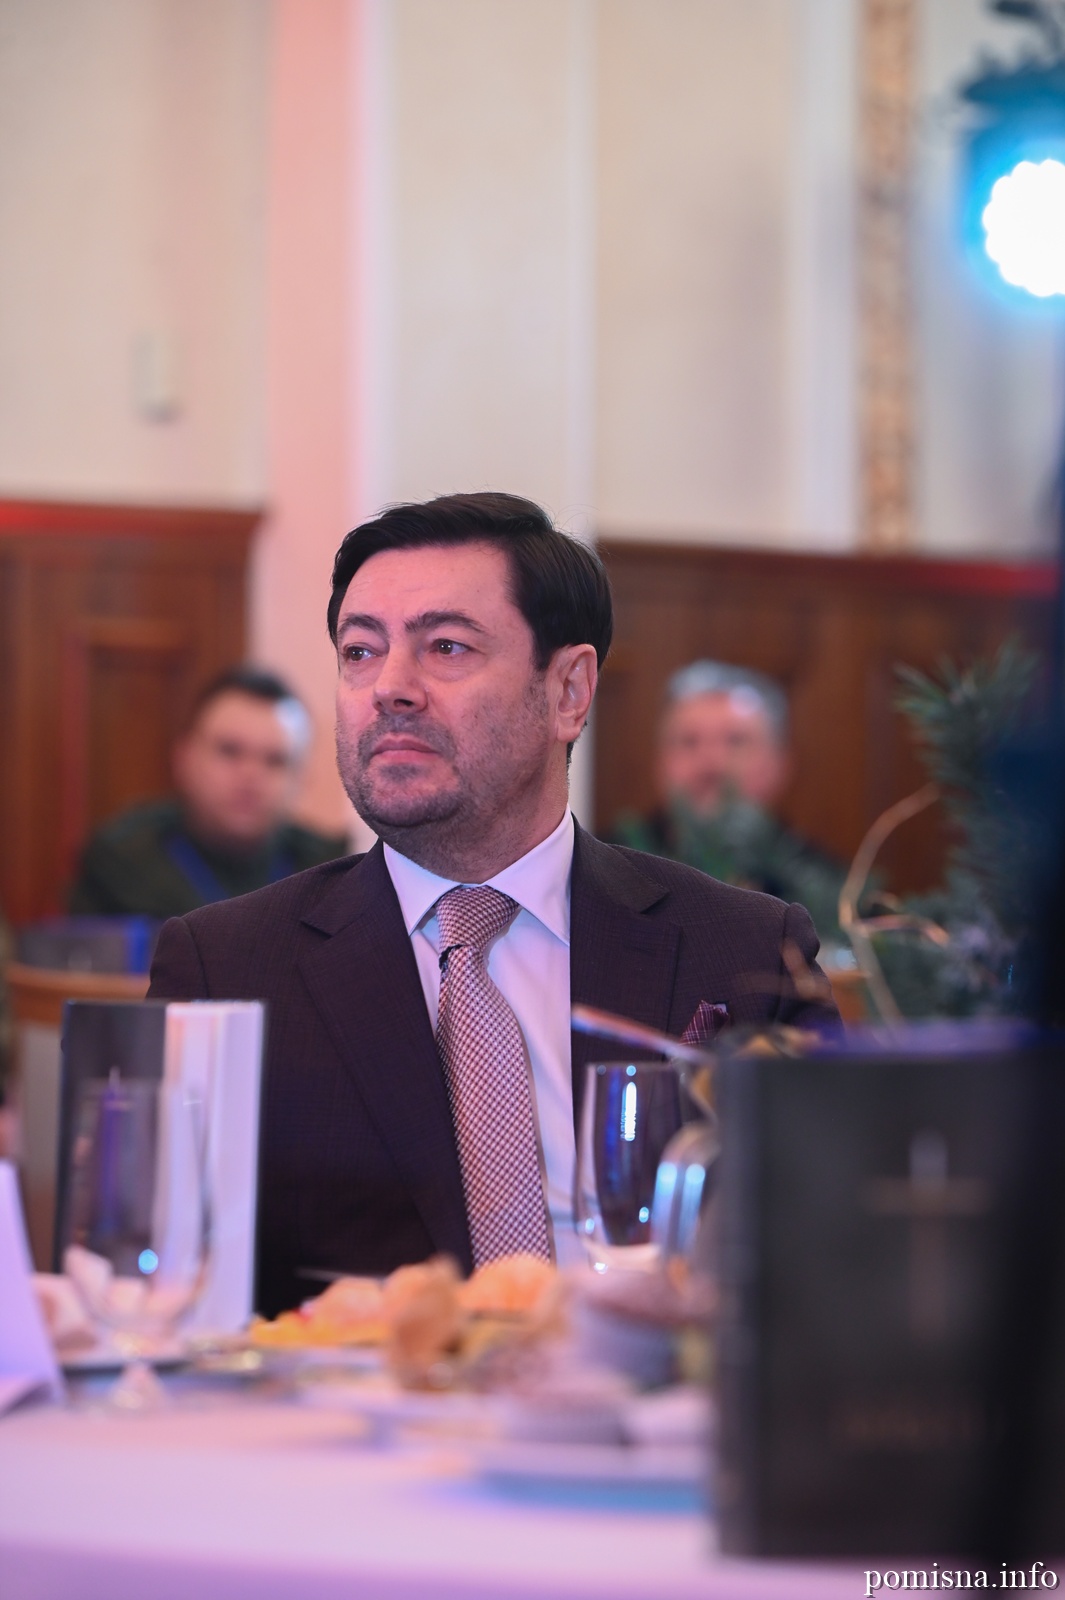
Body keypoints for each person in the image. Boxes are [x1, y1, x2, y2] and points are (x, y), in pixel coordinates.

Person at [147, 494, 839, 1314]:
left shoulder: (741, 951)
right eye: (360, 652)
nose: (389, 689)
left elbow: (829, 1266)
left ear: (568, 691)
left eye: (445, 647)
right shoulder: (228, 967)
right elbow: (164, 1300)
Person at [69, 665, 347, 920]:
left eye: (275, 760)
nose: (251, 775)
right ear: (184, 758)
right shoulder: (121, 863)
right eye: (229, 751)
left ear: (301, 779)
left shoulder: (332, 873)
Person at [613, 660, 846, 941]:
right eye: (689, 741)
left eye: (735, 741)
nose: (711, 763)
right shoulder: (605, 873)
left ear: (780, 763)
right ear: (660, 763)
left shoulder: (827, 888)